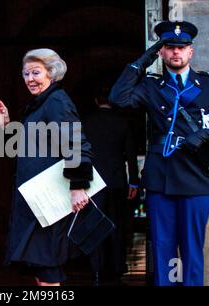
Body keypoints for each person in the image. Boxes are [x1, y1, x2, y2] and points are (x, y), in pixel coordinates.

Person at [108, 21, 209, 286]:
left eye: (182, 47)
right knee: (164, 249)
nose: (176, 52)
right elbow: (118, 98)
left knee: (192, 249)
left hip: (195, 176)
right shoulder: (151, 85)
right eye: (169, 47)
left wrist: (208, 135)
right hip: (162, 178)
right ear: (162, 52)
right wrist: (141, 61)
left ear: (191, 51)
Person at [0, 48, 93, 286]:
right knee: (41, 266)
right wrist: (5, 125)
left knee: (47, 266)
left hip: (51, 199)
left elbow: (76, 143)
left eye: (36, 72)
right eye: (25, 74)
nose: (30, 79)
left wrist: (78, 186)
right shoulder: (39, 105)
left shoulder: (56, 101)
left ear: (51, 73)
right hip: (37, 200)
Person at [83, 92, 139, 285]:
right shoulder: (122, 122)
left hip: (92, 183)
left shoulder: (86, 122)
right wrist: (134, 181)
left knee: (95, 226)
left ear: (96, 100)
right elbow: (131, 155)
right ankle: (116, 270)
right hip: (116, 182)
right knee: (116, 226)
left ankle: (97, 270)